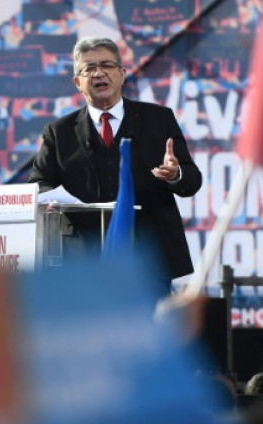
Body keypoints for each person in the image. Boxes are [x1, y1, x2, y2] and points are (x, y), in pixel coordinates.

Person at [29, 36, 202, 294]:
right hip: (85, 262)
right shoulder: (59, 132)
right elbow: (38, 184)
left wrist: (176, 173)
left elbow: (192, 180)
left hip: (149, 258)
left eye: (107, 65)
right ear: (78, 82)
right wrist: (62, 200)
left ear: (121, 74)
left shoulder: (159, 119)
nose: (99, 73)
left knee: (147, 333)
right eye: (89, 68)